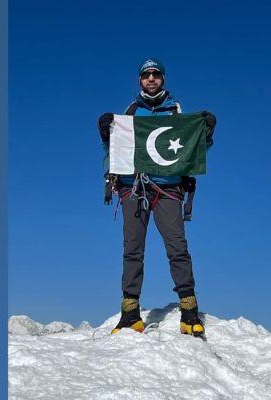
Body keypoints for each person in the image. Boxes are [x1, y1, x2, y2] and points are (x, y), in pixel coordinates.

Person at [97, 58, 216, 338]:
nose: (151, 79)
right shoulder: (130, 113)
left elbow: (191, 149)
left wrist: (206, 134)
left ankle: (189, 311)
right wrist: (105, 132)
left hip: (168, 189)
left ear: (163, 78)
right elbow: (113, 148)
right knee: (132, 249)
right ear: (140, 80)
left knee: (177, 246)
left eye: (156, 74)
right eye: (146, 75)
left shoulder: (175, 111)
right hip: (133, 188)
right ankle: (130, 313)